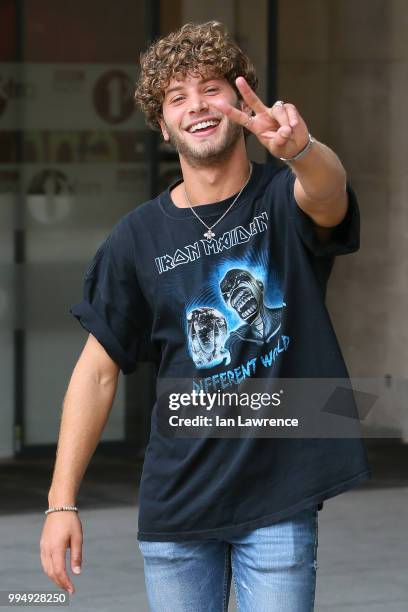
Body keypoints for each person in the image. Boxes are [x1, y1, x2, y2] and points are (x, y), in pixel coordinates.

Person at [39, 20, 371, 612]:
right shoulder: (136, 238)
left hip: (278, 501)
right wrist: (61, 502)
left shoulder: (281, 197)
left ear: (240, 99)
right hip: (176, 509)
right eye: (176, 96)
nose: (197, 106)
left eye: (211, 87)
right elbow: (96, 372)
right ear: (161, 123)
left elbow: (328, 194)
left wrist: (302, 152)